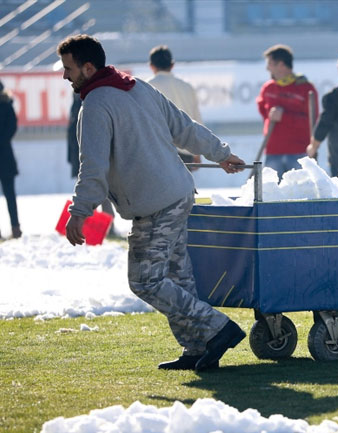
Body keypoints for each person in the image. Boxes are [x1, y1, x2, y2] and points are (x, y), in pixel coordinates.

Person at [57, 34, 247, 371]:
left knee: (145, 280)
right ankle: (197, 348)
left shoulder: (96, 105)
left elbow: (94, 168)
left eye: (68, 68)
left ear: (88, 67)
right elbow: (183, 127)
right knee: (177, 276)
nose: (64, 75)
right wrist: (221, 153)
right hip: (177, 192)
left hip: (155, 202)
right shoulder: (136, 86)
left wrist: (79, 212)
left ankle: (219, 328)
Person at [257, 44, 318, 178]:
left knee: (301, 193)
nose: (267, 68)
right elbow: (262, 110)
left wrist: (284, 117)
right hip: (273, 150)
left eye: (270, 64)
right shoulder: (268, 88)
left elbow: (312, 123)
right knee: (271, 194)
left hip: (299, 152)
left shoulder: (306, 88)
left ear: (281, 65)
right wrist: (271, 116)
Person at [147, 45, 202, 168]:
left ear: (151, 66)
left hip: (159, 151)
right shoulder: (187, 87)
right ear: (172, 65)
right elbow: (196, 120)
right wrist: (198, 152)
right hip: (186, 149)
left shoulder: (147, 87)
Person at [67, 91, 116, 228]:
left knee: (95, 188)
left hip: (88, 152)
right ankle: (100, 225)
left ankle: (98, 225)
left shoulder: (86, 100)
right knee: (97, 189)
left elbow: (74, 130)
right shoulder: (84, 99)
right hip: (85, 152)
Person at [0, 79, 21, 239]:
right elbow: (12, 128)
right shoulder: (7, 105)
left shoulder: (7, 105)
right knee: (10, 195)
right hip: (6, 156)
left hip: (5, 156)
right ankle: (15, 228)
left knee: (9, 195)